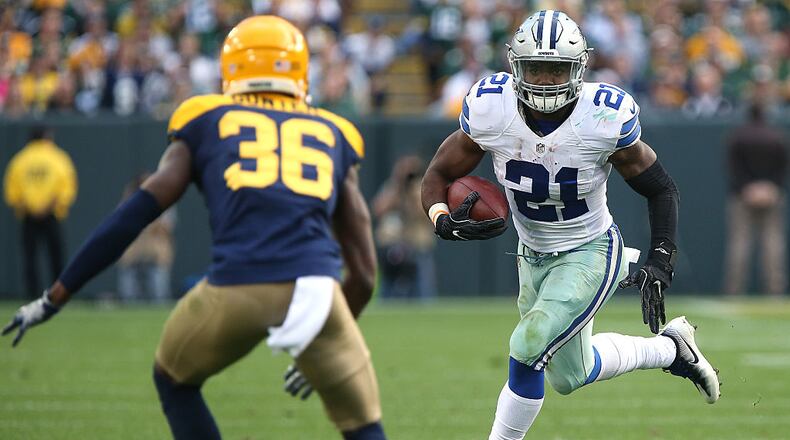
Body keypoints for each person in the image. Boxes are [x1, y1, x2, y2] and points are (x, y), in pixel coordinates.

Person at [3, 16, 386, 440]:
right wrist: (323, 338)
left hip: (239, 283)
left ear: (231, 69)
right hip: (319, 290)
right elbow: (365, 274)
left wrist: (55, 297)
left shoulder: (207, 117)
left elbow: (135, 213)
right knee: (363, 426)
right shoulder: (335, 131)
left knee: (173, 380)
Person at [420, 11, 720, 439]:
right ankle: (673, 350)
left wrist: (661, 257)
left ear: (578, 68)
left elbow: (662, 188)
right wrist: (441, 218)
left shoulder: (602, 117)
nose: (544, 80)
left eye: (556, 69)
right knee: (568, 375)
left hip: (589, 249)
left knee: (527, 345)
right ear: (514, 66)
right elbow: (437, 174)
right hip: (532, 253)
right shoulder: (490, 108)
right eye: (534, 68)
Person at [3, 125, 77, 300]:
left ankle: (32, 295)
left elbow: (12, 191)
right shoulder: (58, 157)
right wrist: (50, 205)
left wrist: (28, 206)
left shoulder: (19, 160)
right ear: (47, 138)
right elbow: (67, 187)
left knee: (30, 257)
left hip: (28, 214)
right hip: (52, 214)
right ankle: (59, 295)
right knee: (56, 256)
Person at [723, 102, 788, 296]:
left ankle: (734, 291)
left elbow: (733, 167)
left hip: (743, 196)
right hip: (771, 195)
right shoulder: (777, 137)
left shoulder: (737, 137)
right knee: (773, 244)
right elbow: (783, 167)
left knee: (740, 244)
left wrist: (748, 187)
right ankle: (775, 291)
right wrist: (771, 187)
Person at [372, 155, 436, 300]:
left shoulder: (422, 188)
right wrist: (398, 187)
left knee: (422, 291)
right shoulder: (391, 187)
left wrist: (412, 195)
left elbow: (426, 213)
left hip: (418, 246)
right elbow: (378, 210)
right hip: (392, 247)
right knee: (387, 291)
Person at [117, 172, 176, 304]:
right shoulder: (128, 201)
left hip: (155, 245)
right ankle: (129, 302)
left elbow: (165, 228)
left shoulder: (165, 199)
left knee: (158, 276)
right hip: (134, 244)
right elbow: (121, 224)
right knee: (128, 272)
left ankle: (160, 302)